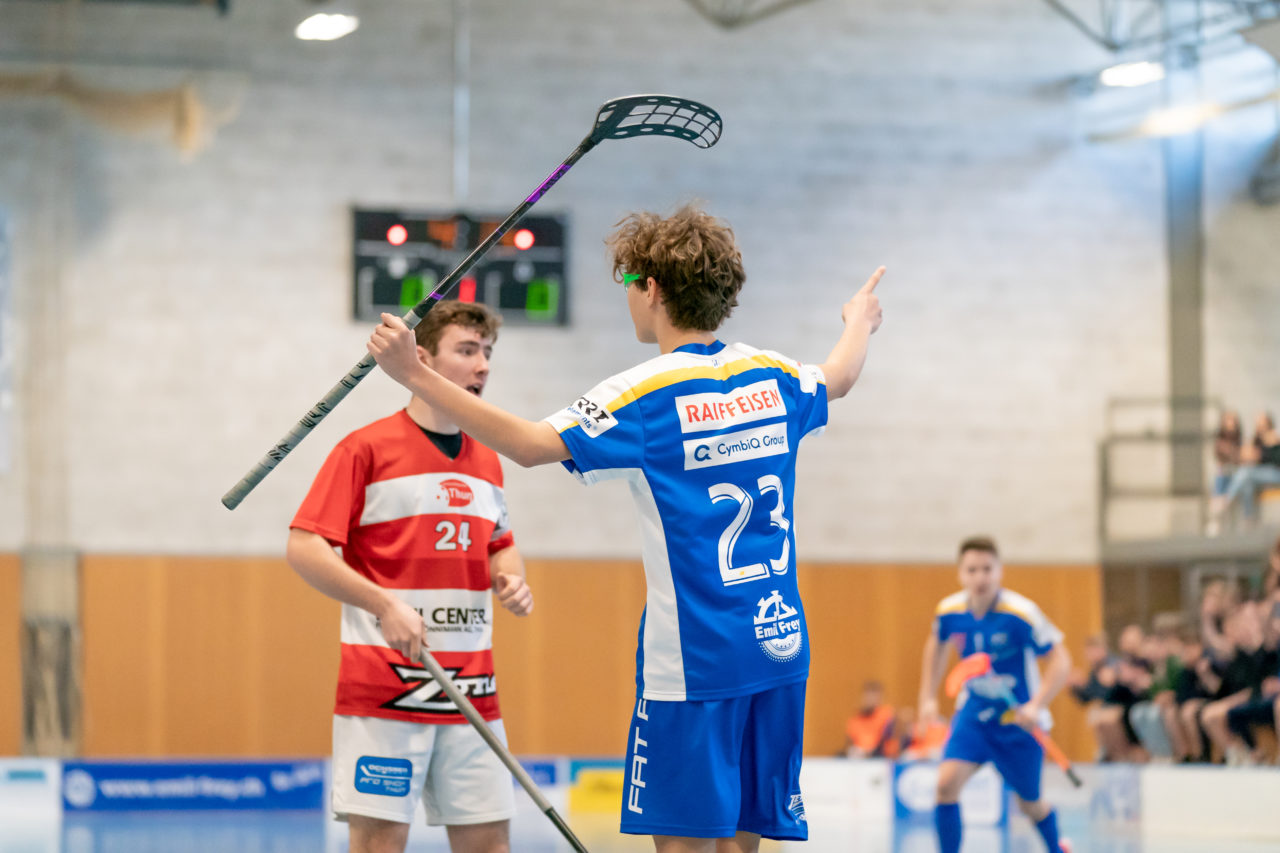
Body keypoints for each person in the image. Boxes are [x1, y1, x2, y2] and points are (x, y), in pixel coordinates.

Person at [367, 203, 885, 853]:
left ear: (654, 289)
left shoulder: (644, 393)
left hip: (693, 662)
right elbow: (839, 375)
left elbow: (528, 444)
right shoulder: (776, 375)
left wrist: (415, 375)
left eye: (628, 284)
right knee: (744, 845)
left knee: (684, 846)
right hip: (779, 650)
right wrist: (858, 319)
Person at [288, 300, 535, 853]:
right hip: (385, 694)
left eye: (487, 353)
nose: (483, 366)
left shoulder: (489, 459)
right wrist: (384, 604)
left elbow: (501, 544)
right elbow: (305, 547)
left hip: (473, 692)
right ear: (420, 358)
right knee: (379, 845)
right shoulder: (365, 449)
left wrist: (510, 578)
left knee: (491, 845)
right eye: (468, 351)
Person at [917, 536, 1072, 853]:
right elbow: (936, 644)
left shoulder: (1021, 613)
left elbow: (1061, 659)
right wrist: (927, 697)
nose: (980, 577)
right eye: (971, 570)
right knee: (946, 785)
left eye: (987, 569)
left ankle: (1058, 847)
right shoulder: (949, 612)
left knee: (1031, 805)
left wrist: (1036, 705)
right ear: (960, 573)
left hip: (1019, 722)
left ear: (999, 571)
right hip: (974, 715)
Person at [1208, 412, 1280, 532]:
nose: (1259, 427)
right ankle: (1248, 518)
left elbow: (1271, 458)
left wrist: (1264, 452)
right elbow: (1247, 456)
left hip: (1275, 473)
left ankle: (1225, 500)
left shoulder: (1274, 437)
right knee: (1243, 480)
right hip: (1253, 473)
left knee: (1245, 472)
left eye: (1262, 424)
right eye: (1258, 425)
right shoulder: (1257, 439)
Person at [844, 680, 897, 759]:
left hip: (880, 756)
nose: (870, 699)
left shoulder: (887, 715)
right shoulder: (855, 719)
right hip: (858, 756)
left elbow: (887, 741)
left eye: (873, 696)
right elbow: (850, 743)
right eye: (867, 696)